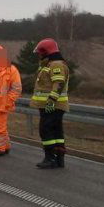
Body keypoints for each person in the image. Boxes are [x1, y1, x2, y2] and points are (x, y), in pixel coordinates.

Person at [31, 38, 70, 169]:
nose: (39, 55)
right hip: (53, 105)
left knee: (45, 129)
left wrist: (51, 101)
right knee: (56, 131)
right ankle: (59, 158)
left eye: (40, 52)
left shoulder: (55, 65)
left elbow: (58, 83)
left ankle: (50, 158)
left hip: (52, 105)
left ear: (46, 52)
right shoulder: (50, 64)